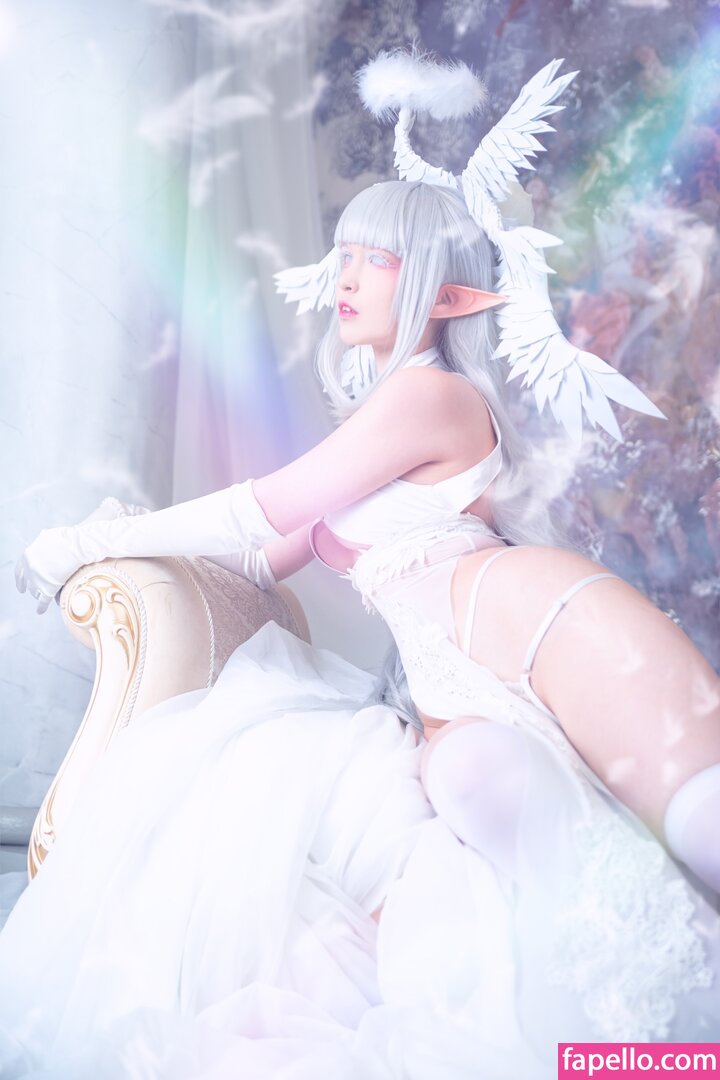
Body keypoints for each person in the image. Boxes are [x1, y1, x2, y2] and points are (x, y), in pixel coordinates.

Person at [4, 175, 719, 1078]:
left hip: (538, 621)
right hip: (464, 687)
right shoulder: (384, 417)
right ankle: (652, 1055)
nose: (344, 277)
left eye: (376, 259)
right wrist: (134, 555)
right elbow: (262, 555)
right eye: (343, 254)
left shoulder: (433, 396)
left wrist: (89, 542)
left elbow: (261, 508)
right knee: (568, 900)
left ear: (442, 291)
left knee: (700, 823)